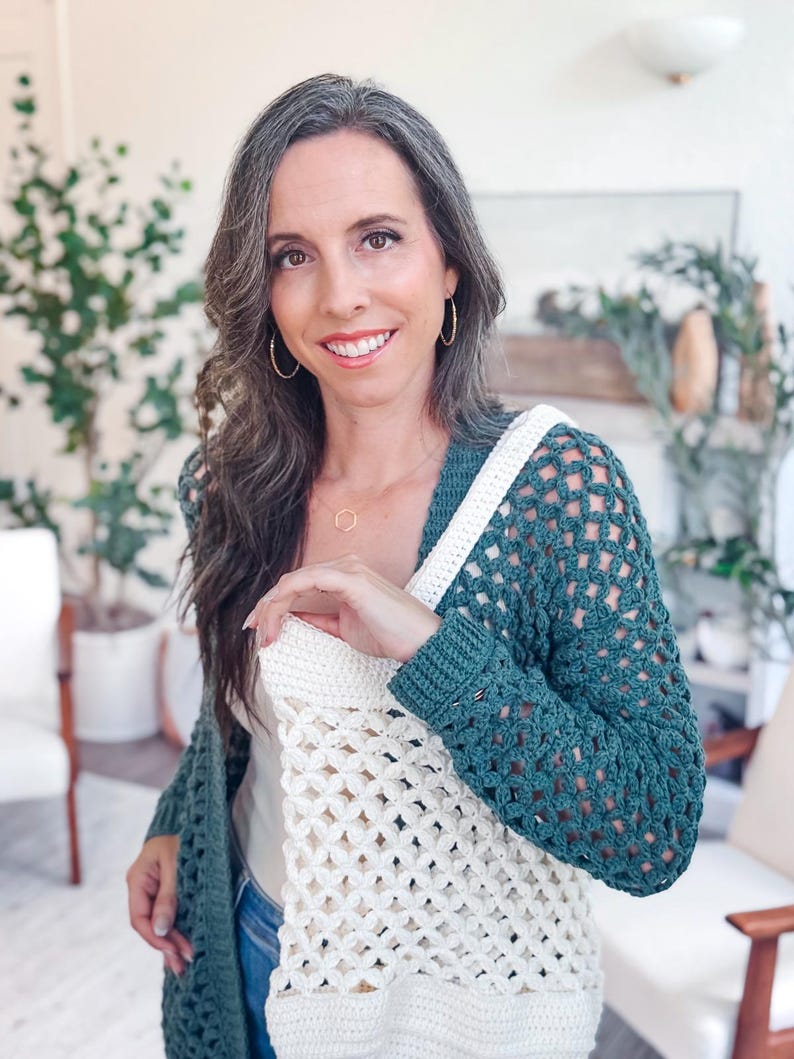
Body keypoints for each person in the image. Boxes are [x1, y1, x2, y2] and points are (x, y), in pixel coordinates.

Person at [126, 73, 706, 1059]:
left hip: (455, 1015)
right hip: (247, 957)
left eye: (377, 238)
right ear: (260, 292)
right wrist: (177, 819)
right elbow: (242, 714)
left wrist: (428, 648)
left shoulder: (551, 486)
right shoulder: (232, 483)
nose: (339, 293)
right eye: (292, 255)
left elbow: (646, 828)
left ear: (448, 263)